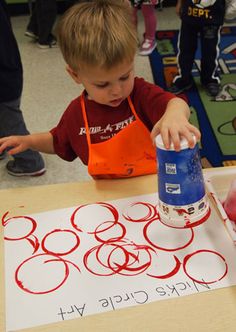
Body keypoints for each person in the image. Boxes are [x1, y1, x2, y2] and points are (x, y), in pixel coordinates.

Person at [0, 0, 200, 180]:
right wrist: (29, 141)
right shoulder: (77, 113)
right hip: (109, 199)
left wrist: (174, 114)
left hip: (155, 186)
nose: (117, 91)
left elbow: (176, 102)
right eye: (102, 84)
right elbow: (59, 141)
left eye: (124, 76)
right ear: (75, 75)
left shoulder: (140, 94)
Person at [0, 0, 45, 176]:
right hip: (9, 70)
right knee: (5, 118)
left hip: (4, 80)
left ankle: (30, 162)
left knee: (11, 122)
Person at [169, 0, 226, 97]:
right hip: (189, 15)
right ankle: (184, 78)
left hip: (212, 18)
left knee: (210, 50)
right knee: (185, 47)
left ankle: (209, 79)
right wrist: (179, 2)